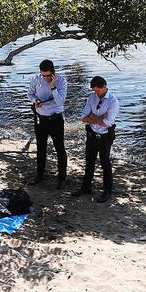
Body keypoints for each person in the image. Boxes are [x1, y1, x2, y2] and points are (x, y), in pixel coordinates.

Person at [74, 75, 120, 204]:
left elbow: (107, 123)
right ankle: (86, 186)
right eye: (94, 90)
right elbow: (83, 117)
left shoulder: (113, 101)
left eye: (97, 90)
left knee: (105, 163)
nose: (96, 93)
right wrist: (98, 118)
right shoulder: (92, 97)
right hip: (92, 134)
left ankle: (107, 190)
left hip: (105, 136)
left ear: (104, 87)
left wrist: (93, 117)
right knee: (89, 160)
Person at [27, 59, 68, 188]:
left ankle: (62, 177)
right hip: (41, 118)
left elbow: (60, 101)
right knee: (41, 148)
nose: (45, 78)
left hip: (55, 119)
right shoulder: (35, 79)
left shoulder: (61, 81)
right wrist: (35, 100)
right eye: (43, 75)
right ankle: (40, 174)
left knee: (59, 148)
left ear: (53, 72)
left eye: (48, 75)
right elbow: (30, 94)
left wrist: (53, 86)